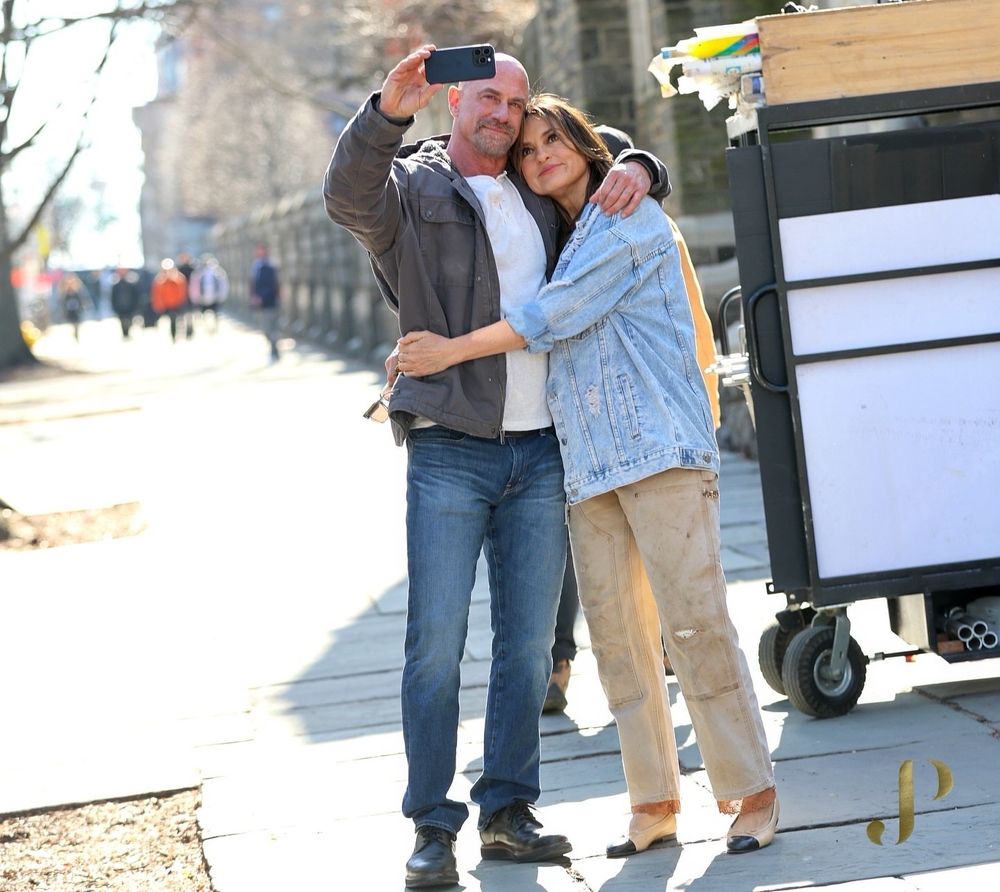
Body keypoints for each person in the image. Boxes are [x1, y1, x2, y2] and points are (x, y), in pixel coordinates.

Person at [397, 93, 779, 862]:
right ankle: (654, 802)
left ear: (585, 143)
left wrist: (447, 352)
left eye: (553, 139)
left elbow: (554, 315)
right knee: (616, 641)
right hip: (588, 469)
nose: (540, 154)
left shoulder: (626, 219)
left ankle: (751, 793)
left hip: (661, 455)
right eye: (528, 149)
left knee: (696, 624)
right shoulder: (560, 234)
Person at [324, 46, 668, 889]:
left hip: (542, 447)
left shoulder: (535, 186)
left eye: (515, 101)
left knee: (524, 648)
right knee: (434, 646)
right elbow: (345, 196)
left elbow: (604, 159)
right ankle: (431, 827)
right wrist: (384, 111)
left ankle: (508, 812)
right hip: (449, 444)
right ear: (453, 101)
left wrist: (642, 165)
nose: (504, 114)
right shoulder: (410, 188)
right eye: (488, 97)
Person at [542, 124, 722, 712]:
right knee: (575, 553)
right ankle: (559, 660)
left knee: (665, 553)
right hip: (576, 420)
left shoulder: (633, 218)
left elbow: (687, 316)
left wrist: (645, 166)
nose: (544, 157)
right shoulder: (546, 223)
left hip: (659, 410)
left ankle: (661, 644)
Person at [249, 244, 281, 360]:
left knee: (270, 328)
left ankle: (274, 351)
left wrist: (261, 297)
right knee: (266, 329)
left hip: (270, 301)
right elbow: (254, 284)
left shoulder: (269, 266)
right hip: (260, 302)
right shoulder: (256, 266)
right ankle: (274, 349)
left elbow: (271, 285)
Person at [150, 258, 188, 341]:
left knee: (176, 321)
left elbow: (182, 291)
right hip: (166, 304)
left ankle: (177, 335)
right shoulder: (160, 279)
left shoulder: (178, 277)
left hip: (176, 304)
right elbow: (157, 293)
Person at [190, 255, 229, 333]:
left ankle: (214, 328)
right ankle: (206, 328)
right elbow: (194, 286)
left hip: (215, 297)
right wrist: (195, 298)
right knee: (204, 314)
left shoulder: (218, 272)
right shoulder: (198, 273)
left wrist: (222, 296)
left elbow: (223, 285)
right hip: (203, 298)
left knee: (215, 314)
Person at [110, 268, 141, 339]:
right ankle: (124, 334)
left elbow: (135, 295)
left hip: (129, 307)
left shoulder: (131, 283)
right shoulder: (116, 285)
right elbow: (113, 297)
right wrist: (114, 307)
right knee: (122, 321)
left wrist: (136, 306)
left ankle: (128, 333)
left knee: (129, 320)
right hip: (120, 307)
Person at [59, 273, 88, 342]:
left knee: (77, 324)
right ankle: (75, 333)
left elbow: (82, 300)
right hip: (69, 311)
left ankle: (76, 334)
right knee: (72, 323)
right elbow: (63, 303)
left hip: (77, 311)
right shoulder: (65, 293)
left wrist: (82, 307)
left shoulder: (77, 291)